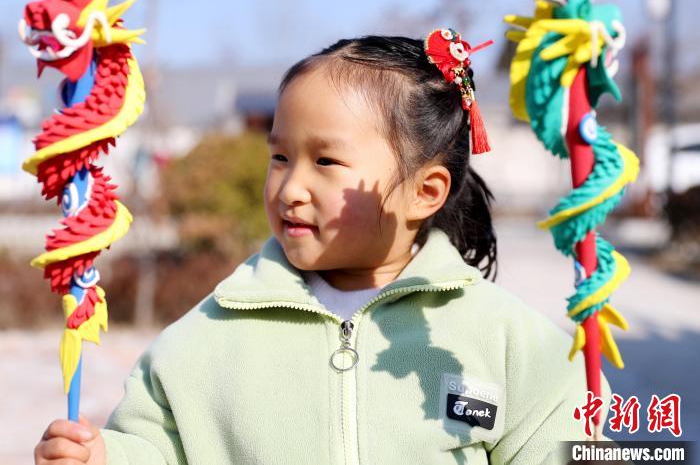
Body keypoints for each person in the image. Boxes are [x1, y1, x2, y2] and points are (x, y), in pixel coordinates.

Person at [35, 30, 612, 465]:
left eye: (326, 161)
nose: (290, 187)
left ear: (424, 192)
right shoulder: (207, 338)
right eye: (280, 157)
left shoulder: (503, 340)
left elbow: (559, 440)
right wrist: (104, 457)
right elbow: (156, 447)